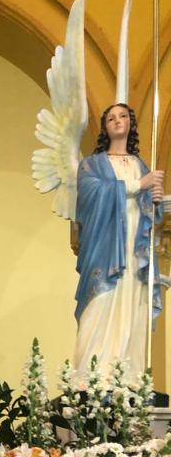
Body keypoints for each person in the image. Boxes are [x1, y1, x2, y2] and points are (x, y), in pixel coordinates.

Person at [74, 103, 165, 380]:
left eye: (123, 116)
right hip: (104, 250)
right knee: (101, 305)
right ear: (105, 127)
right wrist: (138, 185)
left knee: (132, 305)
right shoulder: (92, 164)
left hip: (134, 251)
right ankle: (91, 375)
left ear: (130, 123)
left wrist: (154, 199)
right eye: (111, 118)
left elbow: (151, 216)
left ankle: (128, 376)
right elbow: (89, 196)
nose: (117, 120)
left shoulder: (140, 165)